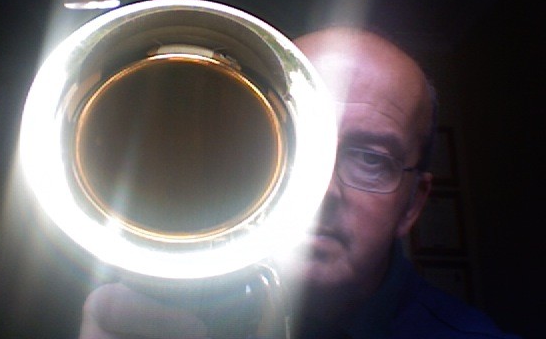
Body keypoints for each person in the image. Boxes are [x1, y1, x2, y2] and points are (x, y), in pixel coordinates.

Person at [78, 26, 519, 339]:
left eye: (371, 158)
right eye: (296, 142)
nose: (322, 191)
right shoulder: (139, 315)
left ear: (412, 206)